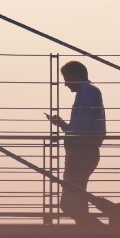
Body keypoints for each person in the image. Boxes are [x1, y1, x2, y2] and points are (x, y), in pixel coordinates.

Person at [46, 60, 106, 226]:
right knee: (72, 200)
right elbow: (82, 124)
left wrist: (69, 133)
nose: (65, 84)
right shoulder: (89, 92)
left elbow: (82, 125)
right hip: (83, 150)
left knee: (70, 202)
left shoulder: (86, 91)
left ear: (76, 74)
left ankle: (95, 232)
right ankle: (92, 230)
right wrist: (64, 125)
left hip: (81, 152)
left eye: (66, 78)